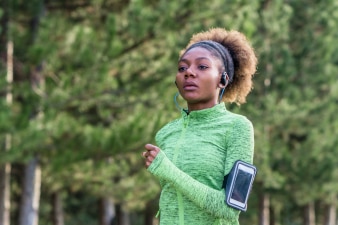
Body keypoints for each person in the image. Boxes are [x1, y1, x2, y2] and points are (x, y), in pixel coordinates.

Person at [142, 27, 257, 225]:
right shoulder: (166, 133)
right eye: (182, 68)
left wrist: (168, 170)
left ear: (223, 79)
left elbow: (229, 210)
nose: (189, 73)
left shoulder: (238, 127)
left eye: (202, 67)